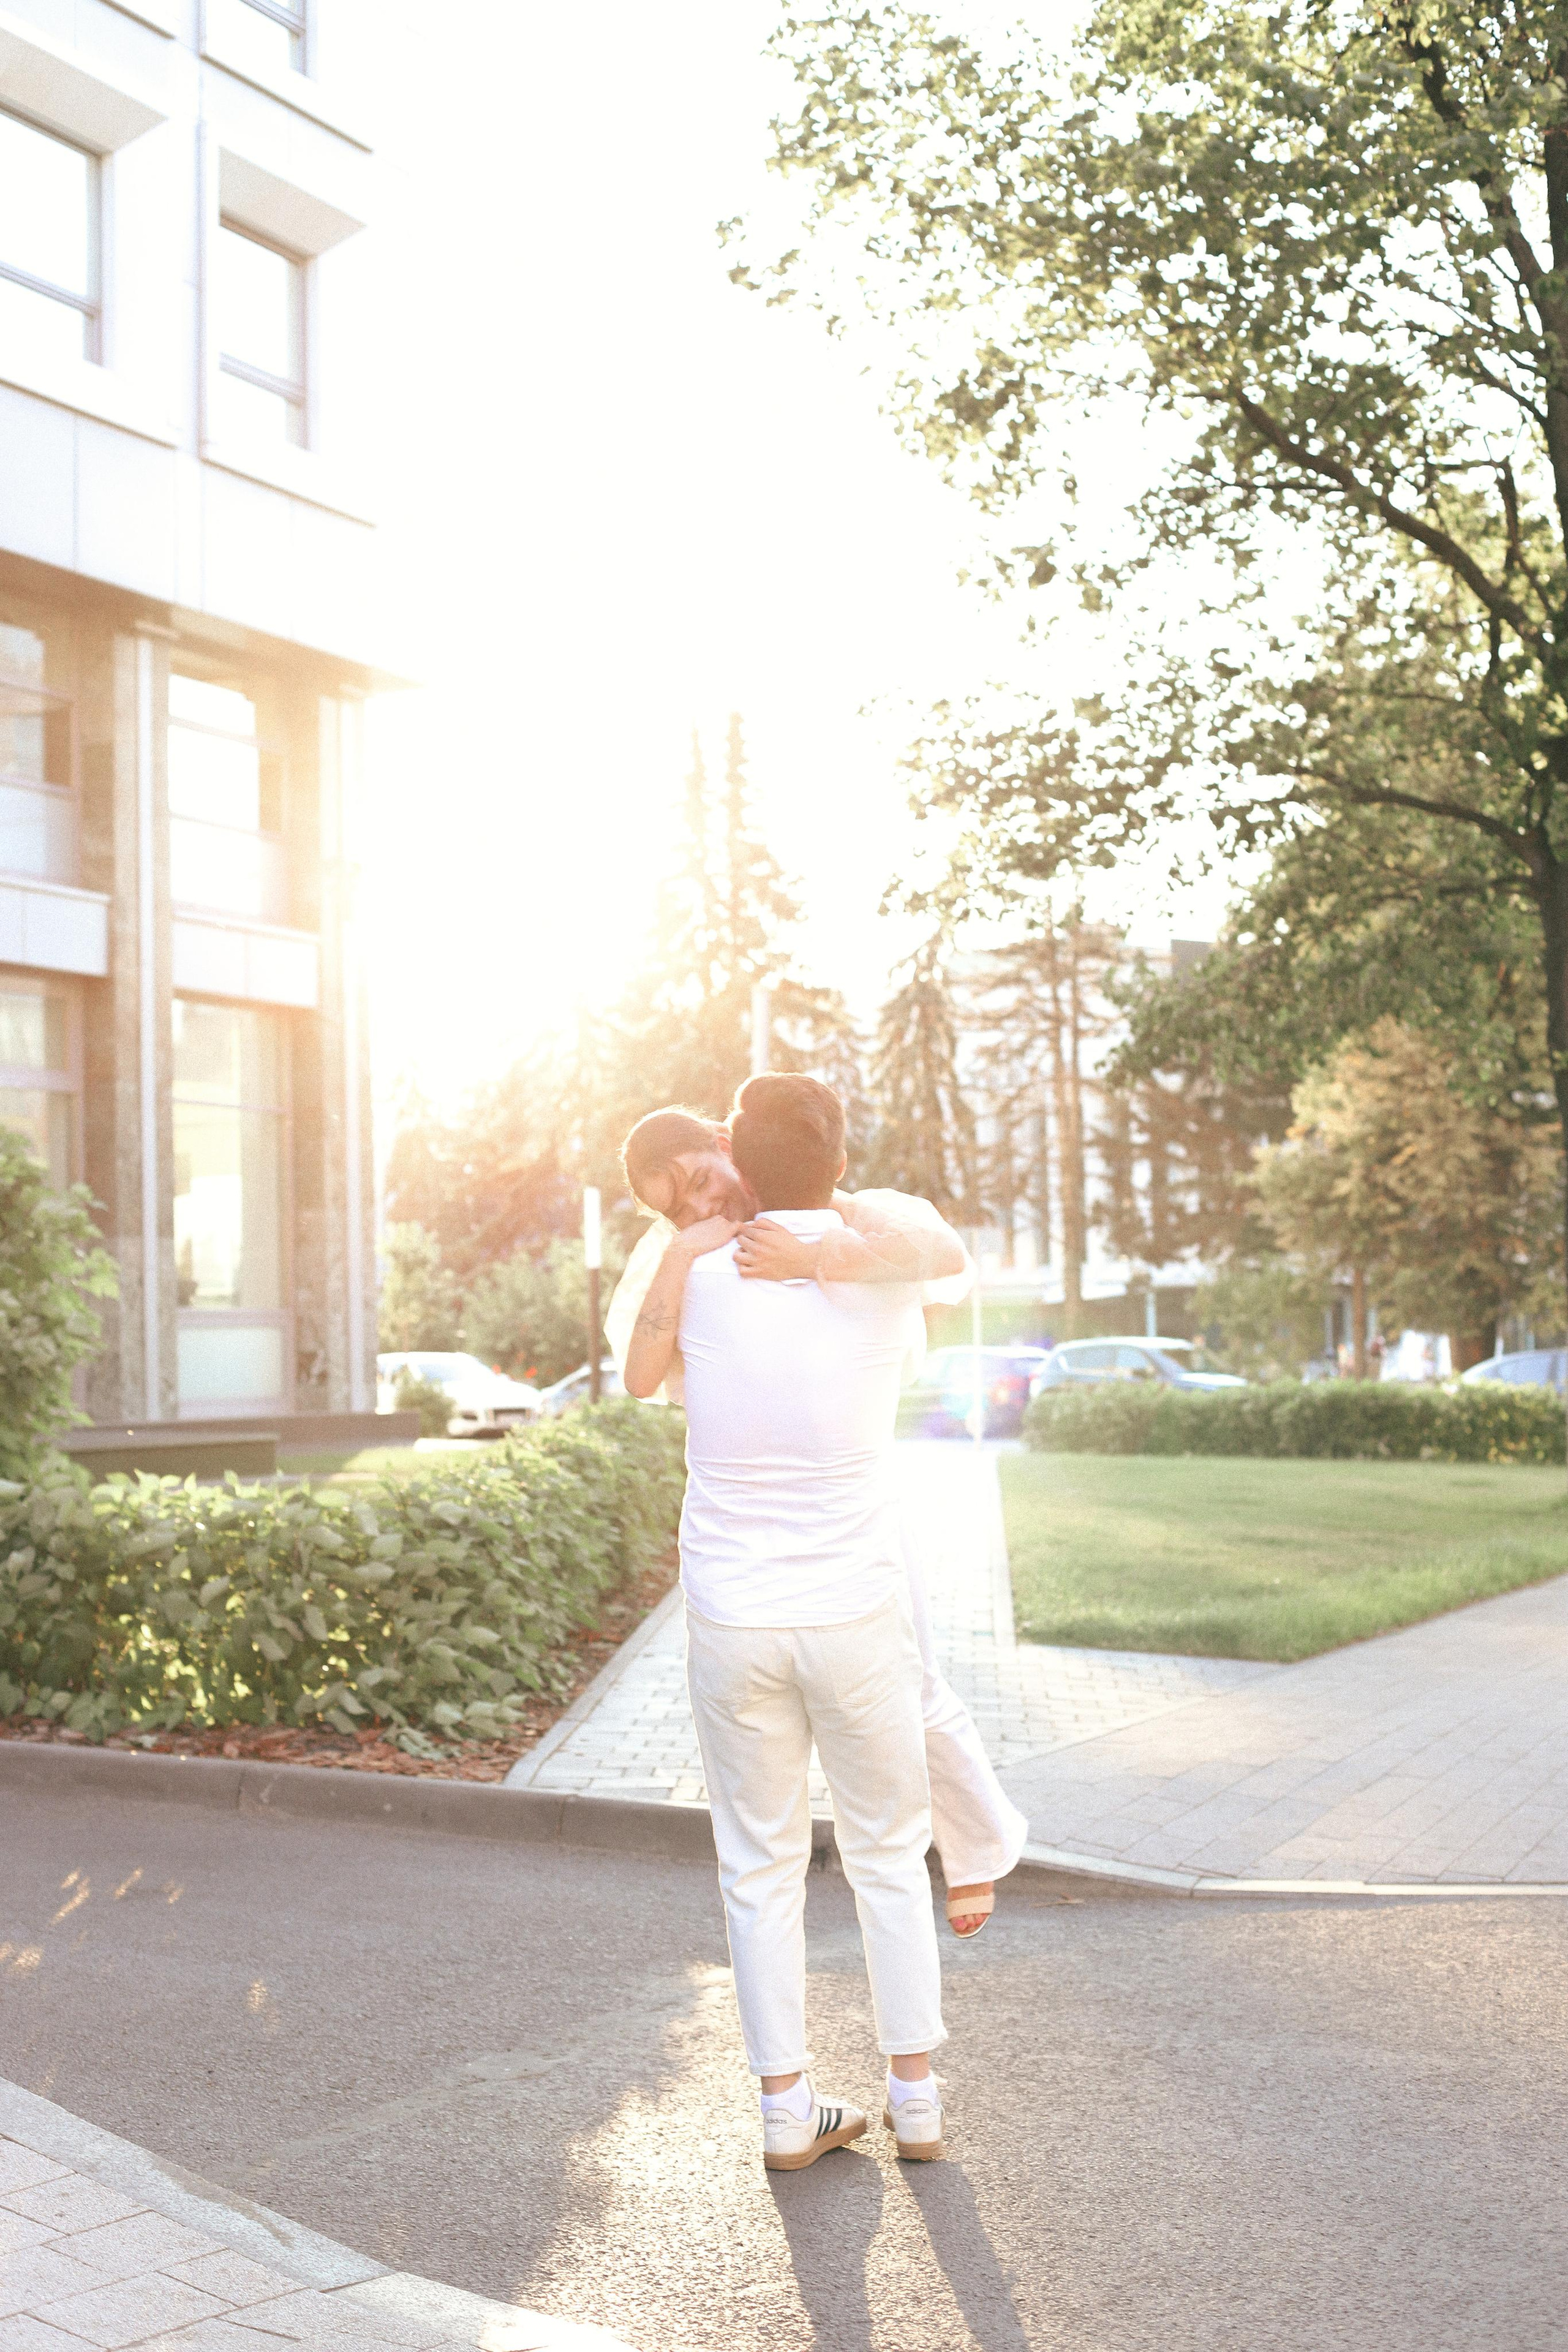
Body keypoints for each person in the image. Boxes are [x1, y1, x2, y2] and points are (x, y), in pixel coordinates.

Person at [625, 1074, 949, 2169]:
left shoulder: (708, 1270)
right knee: (891, 1856)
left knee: (757, 1865)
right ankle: (915, 2101)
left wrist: (694, 1247)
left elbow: (639, 1373)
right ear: (838, 1156)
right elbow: (936, 1253)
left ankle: (784, 2111)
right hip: (855, 1609)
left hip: (733, 1616)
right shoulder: (882, 1261)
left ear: (738, 1154)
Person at [606, 1105, 1027, 1939]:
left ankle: (975, 1845)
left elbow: (944, 1258)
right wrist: (687, 1250)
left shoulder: (844, 1209)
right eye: (675, 1209)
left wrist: (814, 1254)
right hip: (753, 1537)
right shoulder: (685, 1253)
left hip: (853, 1499)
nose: (696, 1209)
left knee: (920, 1680)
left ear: (727, 1147)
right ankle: (967, 1846)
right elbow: (643, 1376)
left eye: (698, 1184)